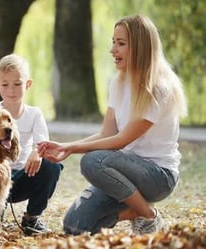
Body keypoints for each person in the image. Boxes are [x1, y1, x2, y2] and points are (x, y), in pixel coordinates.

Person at [38, 14, 187, 235]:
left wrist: (72, 149)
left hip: (158, 177)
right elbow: (107, 133)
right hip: (123, 173)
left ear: (140, 47)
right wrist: (65, 145)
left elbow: (121, 140)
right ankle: (134, 210)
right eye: (113, 42)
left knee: (92, 161)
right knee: (75, 225)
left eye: (121, 43)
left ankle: (148, 215)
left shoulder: (158, 88)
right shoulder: (118, 83)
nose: (113, 49)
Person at [0, 54, 63, 234]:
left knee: (52, 165)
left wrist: (37, 152)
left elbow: (43, 144)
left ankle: (32, 218)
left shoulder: (34, 114)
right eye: (5, 84)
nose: (11, 90)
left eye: (17, 84)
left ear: (28, 84)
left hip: (22, 176)